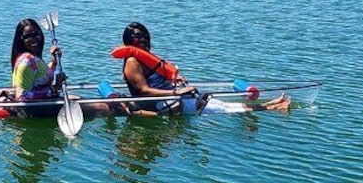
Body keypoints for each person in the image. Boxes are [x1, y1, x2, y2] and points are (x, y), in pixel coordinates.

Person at [115, 22, 291, 115]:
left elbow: (156, 80)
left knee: (221, 105)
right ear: (129, 41)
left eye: (144, 35)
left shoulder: (145, 58)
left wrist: (175, 79)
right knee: (222, 109)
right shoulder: (132, 61)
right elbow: (143, 91)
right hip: (161, 104)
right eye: (138, 37)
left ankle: (271, 105)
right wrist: (177, 93)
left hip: (172, 97)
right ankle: (272, 108)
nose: (143, 39)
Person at [11, 18, 66, 117]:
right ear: (21, 39)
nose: (33, 39)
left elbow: (41, 76)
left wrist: (54, 61)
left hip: (46, 102)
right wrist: (55, 88)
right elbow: (22, 99)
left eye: (36, 34)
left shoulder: (32, 58)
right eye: (28, 36)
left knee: (79, 99)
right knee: (99, 107)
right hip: (34, 110)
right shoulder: (26, 62)